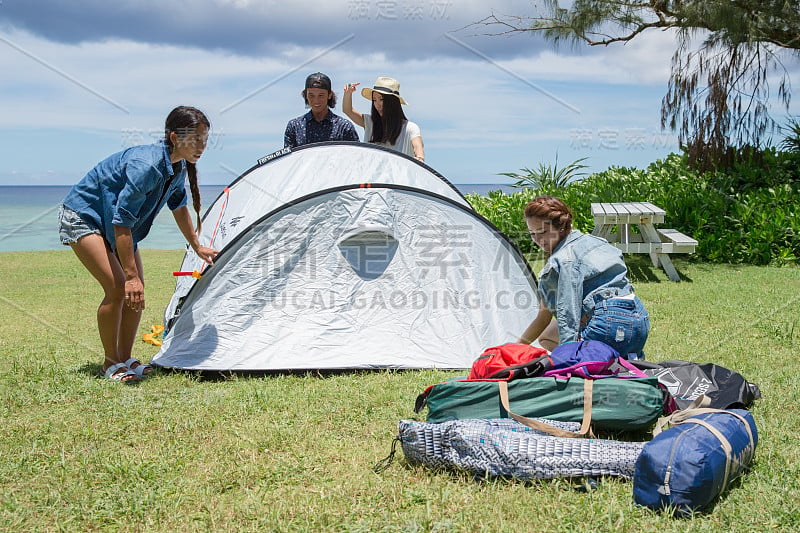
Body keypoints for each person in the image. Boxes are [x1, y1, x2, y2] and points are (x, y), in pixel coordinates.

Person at [59, 106, 218, 382]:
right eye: (195, 139)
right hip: (85, 218)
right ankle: (111, 363)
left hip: (116, 226)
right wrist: (131, 276)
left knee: (136, 296)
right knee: (119, 288)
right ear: (174, 137)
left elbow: (179, 206)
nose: (201, 146)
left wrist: (197, 245)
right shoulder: (147, 165)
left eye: (204, 139)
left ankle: (125, 357)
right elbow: (122, 221)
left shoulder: (178, 166)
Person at [517, 195, 650, 359]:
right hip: (639, 319)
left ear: (560, 226)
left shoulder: (563, 260)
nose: (537, 239)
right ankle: (627, 360)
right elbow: (544, 317)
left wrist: (567, 356)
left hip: (607, 323)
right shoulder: (597, 242)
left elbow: (568, 314)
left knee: (575, 360)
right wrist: (515, 347)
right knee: (547, 334)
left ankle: (597, 360)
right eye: (532, 233)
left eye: (543, 232)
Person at [342, 76, 425, 162]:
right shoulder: (370, 123)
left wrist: (420, 157)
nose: (378, 105)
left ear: (393, 102)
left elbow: (418, 149)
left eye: (381, 99)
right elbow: (347, 110)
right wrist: (348, 93)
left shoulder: (410, 128)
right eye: (374, 100)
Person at [284, 72, 359, 148]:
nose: (316, 100)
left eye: (321, 95)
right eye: (311, 95)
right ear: (305, 95)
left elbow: (356, 156)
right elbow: (288, 158)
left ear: (330, 95)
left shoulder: (344, 127)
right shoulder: (294, 127)